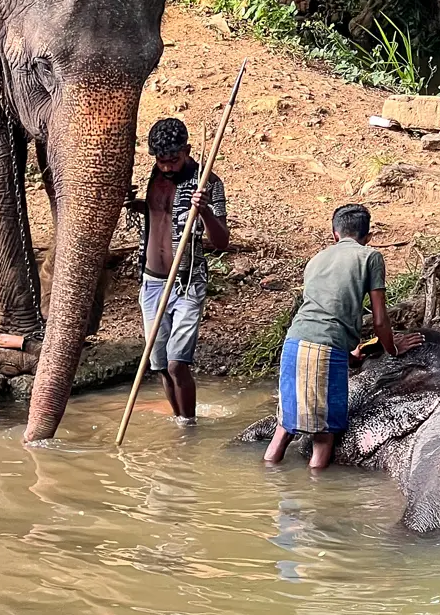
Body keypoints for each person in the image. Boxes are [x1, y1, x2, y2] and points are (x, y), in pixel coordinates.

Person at [265, 204, 422, 470]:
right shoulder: (370, 257)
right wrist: (393, 348)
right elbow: (380, 318)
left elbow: (323, 310)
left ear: (334, 234)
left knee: (285, 426)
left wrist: (349, 355)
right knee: (324, 435)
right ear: (368, 236)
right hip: (324, 348)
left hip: (294, 343)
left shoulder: (317, 259)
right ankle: (316, 496)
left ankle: (266, 480)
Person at [126, 118, 229, 426]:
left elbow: (222, 241)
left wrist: (205, 210)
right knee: (158, 364)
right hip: (152, 283)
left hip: (186, 283)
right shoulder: (154, 176)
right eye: (161, 160)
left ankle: (189, 428)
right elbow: (157, 214)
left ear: (187, 150)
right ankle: (179, 421)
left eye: (173, 160)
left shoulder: (207, 182)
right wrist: (136, 204)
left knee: (176, 364)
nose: (167, 167)